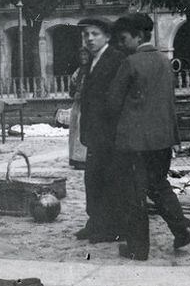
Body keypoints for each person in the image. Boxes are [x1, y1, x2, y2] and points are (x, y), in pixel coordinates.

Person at [108, 13, 190, 261]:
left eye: (124, 39)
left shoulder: (130, 63)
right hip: (163, 138)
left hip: (135, 142)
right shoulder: (164, 61)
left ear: (138, 36)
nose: (122, 44)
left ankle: (138, 248)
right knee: (159, 185)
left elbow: (113, 103)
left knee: (134, 194)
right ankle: (182, 228)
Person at [75, 17, 125, 243]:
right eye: (86, 34)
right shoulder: (90, 61)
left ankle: (110, 227)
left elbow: (117, 99)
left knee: (109, 181)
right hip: (94, 133)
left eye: (94, 34)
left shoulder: (115, 59)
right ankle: (94, 222)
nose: (89, 38)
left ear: (107, 36)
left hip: (109, 133)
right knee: (92, 179)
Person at [68, 47, 90, 169]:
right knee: (75, 130)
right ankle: (75, 158)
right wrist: (74, 93)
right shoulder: (78, 71)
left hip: (87, 105)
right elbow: (72, 85)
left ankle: (84, 159)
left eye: (85, 55)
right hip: (78, 105)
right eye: (81, 56)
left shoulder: (91, 70)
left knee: (83, 130)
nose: (83, 58)